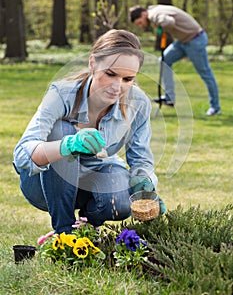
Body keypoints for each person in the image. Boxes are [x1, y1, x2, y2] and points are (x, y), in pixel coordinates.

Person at [13, 29, 166, 234]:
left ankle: (87, 229)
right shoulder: (62, 93)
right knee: (61, 129)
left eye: (127, 79)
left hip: (91, 180)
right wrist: (68, 145)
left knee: (120, 198)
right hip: (42, 185)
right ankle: (64, 233)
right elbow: (22, 154)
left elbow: (141, 159)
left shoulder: (138, 104)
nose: (117, 87)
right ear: (93, 63)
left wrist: (144, 183)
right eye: (110, 74)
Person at [129, 5, 221, 116]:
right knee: (164, 61)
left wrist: (161, 25)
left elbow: (169, 22)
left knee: (205, 73)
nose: (141, 25)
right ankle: (169, 98)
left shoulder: (154, 15)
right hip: (182, 41)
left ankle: (215, 107)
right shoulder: (154, 10)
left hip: (195, 40)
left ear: (144, 14)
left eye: (140, 22)